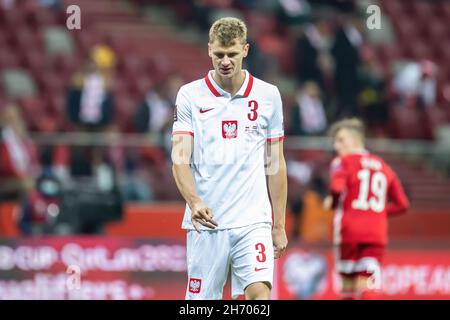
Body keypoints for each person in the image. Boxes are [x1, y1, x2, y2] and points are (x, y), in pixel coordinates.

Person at [171, 17, 288, 300]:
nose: (225, 61)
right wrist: (194, 200)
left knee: (260, 295)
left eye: (232, 54)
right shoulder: (189, 95)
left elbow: (275, 162)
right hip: (207, 224)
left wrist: (279, 224)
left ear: (245, 50)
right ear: (209, 49)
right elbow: (180, 158)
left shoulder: (268, 95)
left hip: (253, 221)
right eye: (219, 54)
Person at [323, 118, 409, 300]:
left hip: (348, 232)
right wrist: (377, 213)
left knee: (348, 286)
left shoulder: (342, 162)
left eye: (340, 140)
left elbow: (337, 189)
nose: (336, 145)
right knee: (368, 283)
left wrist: (332, 202)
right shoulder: (384, 166)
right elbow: (403, 205)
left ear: (355, 140)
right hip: (375, 233)